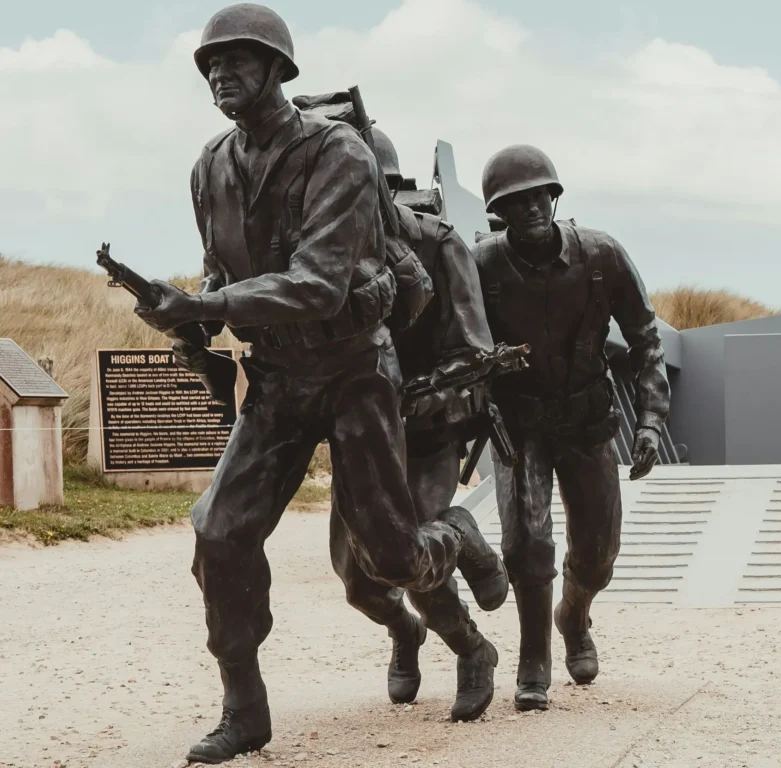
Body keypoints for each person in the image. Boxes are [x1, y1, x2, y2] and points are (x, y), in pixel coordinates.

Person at [132, 5, 507, 763]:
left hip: (353, 372)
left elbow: (319, 284)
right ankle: (245, 710)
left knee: (389, 558)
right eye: (210, 65)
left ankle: (459, 563)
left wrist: (205, 306)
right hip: (277, 377)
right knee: (218, 532)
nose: (220, 74)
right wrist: (188, 316)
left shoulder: (338, 153)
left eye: (237, 60)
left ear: (278, 68)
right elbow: (222, 273)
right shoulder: (210, 165)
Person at [471, 144, 670, 713]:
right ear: (499, 212)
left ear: (554, 198)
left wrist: (651, 419)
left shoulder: (601, 255)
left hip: (586, 421)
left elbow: (645, 339)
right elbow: (458, 342)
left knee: (599, 551)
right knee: (526, 544)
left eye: (540, 196)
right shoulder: (481, 265)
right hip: (519, 424)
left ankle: (574, 616)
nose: (532, 208)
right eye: (517, 201)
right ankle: (533, 658)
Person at [325, 124, 501, 722]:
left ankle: (472, 649)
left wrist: (428, 392)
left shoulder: (439, 244)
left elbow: (476, 347)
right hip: (361, 439)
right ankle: (405, 630)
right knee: (357, 581)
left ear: (386, 185)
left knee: (410, 551)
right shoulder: (322, 254)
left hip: (427, 431)